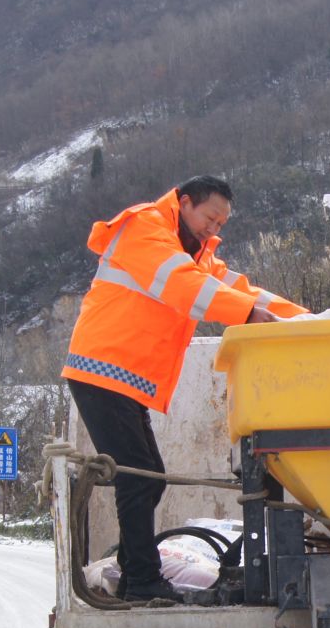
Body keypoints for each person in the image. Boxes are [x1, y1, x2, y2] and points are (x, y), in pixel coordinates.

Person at [61, 174, 309, 603]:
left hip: (122, 379)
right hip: (100, 371)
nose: (214, 229)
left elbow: (239, 289)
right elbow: (185, 287)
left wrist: (307, 320)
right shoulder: (146, 229)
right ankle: (140, 578)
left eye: (220, 224)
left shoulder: (190, 251)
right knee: (139, 478)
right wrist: (248, 314)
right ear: (186, 202)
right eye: (209, 218)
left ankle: (138, 569)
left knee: (147, 477)